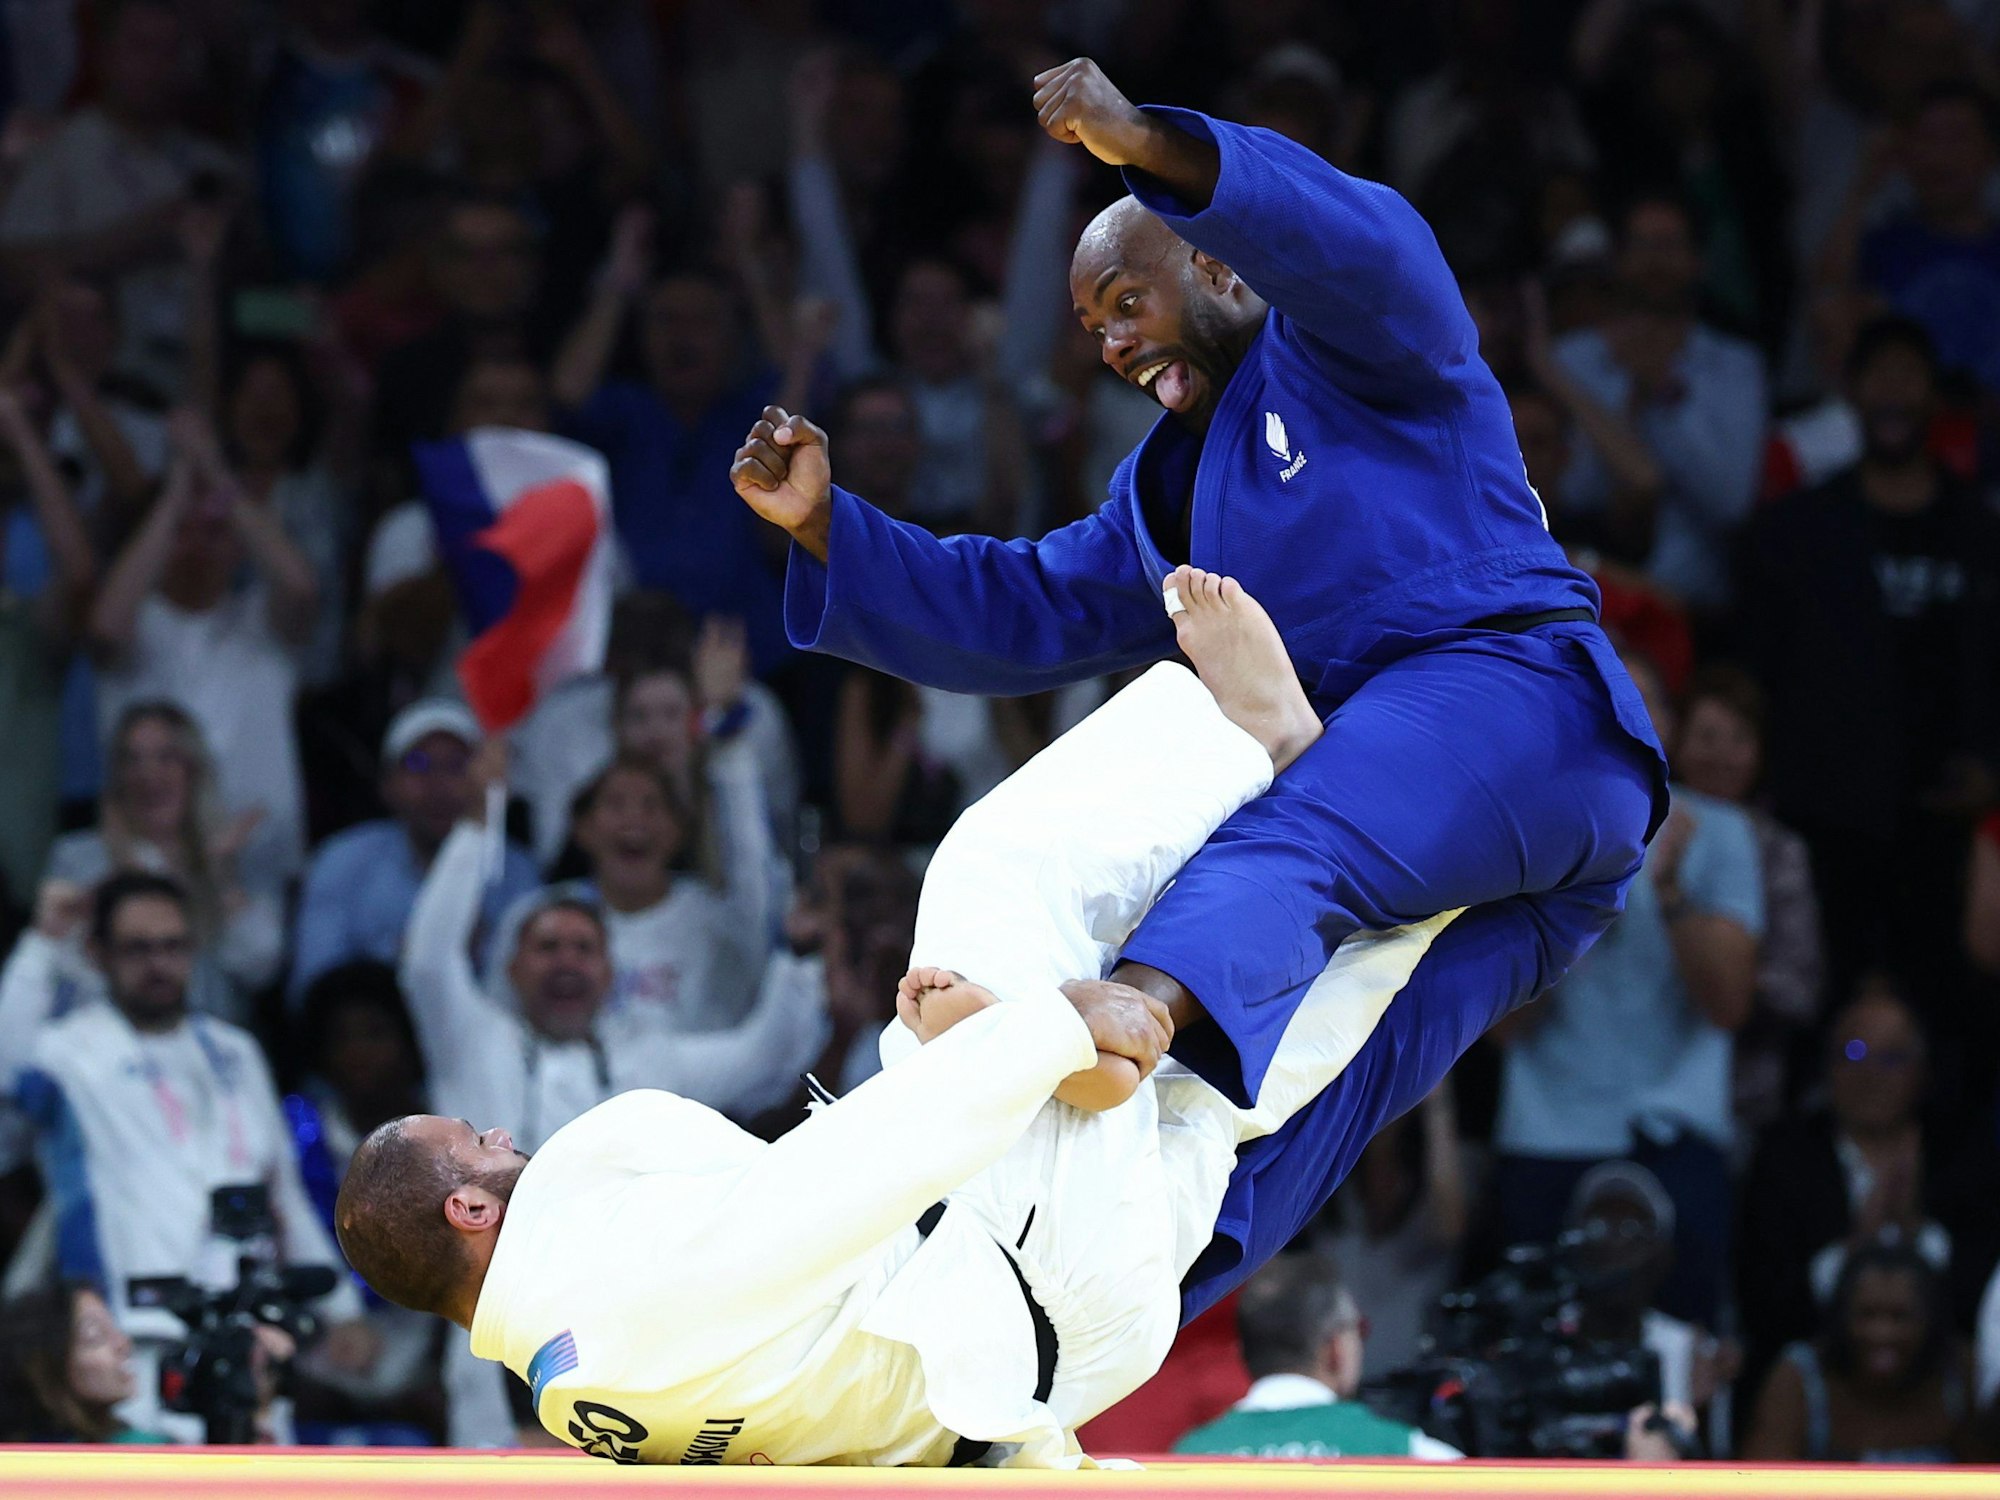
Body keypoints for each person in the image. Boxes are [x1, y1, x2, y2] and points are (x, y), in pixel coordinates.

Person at [733, 60, 1665, 1316]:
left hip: (1523, 710)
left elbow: (1362, 238)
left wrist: (1147, 149)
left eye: (1126, 300)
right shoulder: (1170, 497)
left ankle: (1124, 1008)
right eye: (1092, 330)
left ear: (1220, 267)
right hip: (1433, 840)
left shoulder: (1363, 346)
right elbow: (1018, 605)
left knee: (1283, 843)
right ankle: (1077, 1323)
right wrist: (830, 532)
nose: (1113, 344)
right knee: (1296, 1096)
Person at [332, 571, 1502, 1468]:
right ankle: (1254, 738)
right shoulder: (598, 1268)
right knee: (986, 879)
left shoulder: (578, 1404)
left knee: (1215, 1090)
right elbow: (818, 1198)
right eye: (475, 1140)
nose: (499, 1133)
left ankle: (1433, 875)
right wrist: (1030, 1033)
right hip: (1017, 1267)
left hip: (1048, 1355)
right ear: (468, 1205)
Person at [399, 740, 826, 1447]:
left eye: (582, 949)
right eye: (547, 947)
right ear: (511, 965)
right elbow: (427, 957)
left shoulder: (646, 1056)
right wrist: (480, 825)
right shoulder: (477, 1038)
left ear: (608, 972)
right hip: (492, 1319)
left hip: (627, 1316)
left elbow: (765, 1057)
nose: (565, 963)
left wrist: (800, 957)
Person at [0, 873, 362, 1435]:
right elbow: (4, 1068)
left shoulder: (235, 1051)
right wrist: (44, 942)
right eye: (137, 948)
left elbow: (280, 1188)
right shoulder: (70, 1051)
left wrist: (341, 1308)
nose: (158, 964)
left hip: (248, 1338)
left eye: (173, 946)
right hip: (139, 1340)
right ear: (98, 953)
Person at [1491, 649, 1761, 1325]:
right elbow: (1500, 1027)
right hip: (1546, 1133)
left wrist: (1669, 893)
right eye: (1598, 700)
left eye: (1640, 703)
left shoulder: (1719, 832)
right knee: (1535, 1353)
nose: (1620, 718)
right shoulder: (1524, 827)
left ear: (1667, 723)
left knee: (1682, 1354)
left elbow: (1730, 1006)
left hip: (1675, 1132)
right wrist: (1577, 893)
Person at [1742, 315, 2000, 1005]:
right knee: (1828, 999)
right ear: (1850, 393)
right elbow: (1760, 672)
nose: (1893, 389)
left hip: (1952, 832)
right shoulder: (1797, 533)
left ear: (1934, 399)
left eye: (1909, 373)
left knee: (1950, 1011)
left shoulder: (1983, 533)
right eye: (1877, 373)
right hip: (1829, 825)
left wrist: (1991, 770)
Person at [90, 409, 320, 882]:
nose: (197, 543)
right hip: (149, 866)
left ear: (239, 543)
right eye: (181, 531)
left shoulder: (264, 620)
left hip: (258, 863)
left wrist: (215, 473)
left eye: (214, 531)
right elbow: (105, 629)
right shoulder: (137, 619)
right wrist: (176, 495)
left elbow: (301, 588)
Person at [1549, 190, 1768, 613]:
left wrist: (1660, 397)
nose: (1655, 261)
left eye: (1669, 245)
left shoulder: (1735, 366)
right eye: (1641, 245)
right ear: (1616, 259)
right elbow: (1569, 492)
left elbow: (1731, 502)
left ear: (1698, 261)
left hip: (1700, 608)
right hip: (1585, 602)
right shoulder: (1571, 361)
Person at [1737, 982, 1955, 1399]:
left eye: (1891, 1057)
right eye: (1854, 1052)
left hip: (1934, 1384)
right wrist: (1860, 1243)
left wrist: (1917, 1237)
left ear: (1923, 1071)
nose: (1870, 1072)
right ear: (1827, 1065)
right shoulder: (1784, 1158)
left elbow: (1973, 1301)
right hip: (1812, 1383)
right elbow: (1766, 1307)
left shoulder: (1957, 1155)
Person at [45, 700, 285, 1025]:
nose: (149, 775)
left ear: (194, 770)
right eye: (132, 760)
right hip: (104, 1048)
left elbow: (260, 967)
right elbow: (53, 969)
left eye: (166, 758)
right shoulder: (76, 858)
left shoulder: (233, 854)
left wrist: (221, 880)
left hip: (207, 1052)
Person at [290, 699, 539, 1005]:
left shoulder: (517, 870)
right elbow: (314, 989)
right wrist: (408, 959)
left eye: (457, 765)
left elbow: (531, 996)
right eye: (418, 764)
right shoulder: (342, 861)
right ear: (387, 785)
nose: (438, 785)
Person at [1673, 666, 1825, 1134]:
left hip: (1741, 1093)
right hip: (1627, 1084)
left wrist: (1718, 977)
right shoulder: (1633, 833)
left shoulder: (1780, 852)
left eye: (1739, 739)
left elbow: (1799, 988)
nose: (1722, 755)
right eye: (1707, 736)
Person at [1171, 1252, 1462, 1459]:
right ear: (1336, 1348)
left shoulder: (1185, 1459)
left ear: (1241, 1354)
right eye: (1357, 1330)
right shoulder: (1406, 1455)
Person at [1743, 1240, 1976, 1463]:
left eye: (1900, 1316)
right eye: (1867, 1314)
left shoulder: (1957, 1373)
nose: (1882, 1333)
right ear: (1841, 1316)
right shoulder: (1800, 1378)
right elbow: (1763, 1482)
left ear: (1931, 1320)